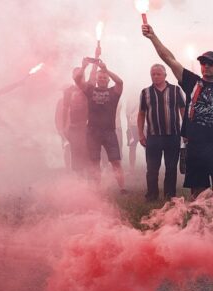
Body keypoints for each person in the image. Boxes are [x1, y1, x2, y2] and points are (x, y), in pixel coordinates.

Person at [141, 24, 213, 198]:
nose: (205, 66)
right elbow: (169, 59)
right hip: (195, 146)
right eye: (203, 63)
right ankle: (199, 222)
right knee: (197, 192)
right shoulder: (193, 82)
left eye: (210, 63)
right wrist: (153, 37)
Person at [73, 58, 126, 192]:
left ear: (108, 80)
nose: (102, 79)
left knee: (115, 162)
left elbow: (120, 82)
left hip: (109, 131)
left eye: (105, 78)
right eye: (100, 77)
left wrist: (106, 69)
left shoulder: (114, 92)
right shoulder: (90, 90)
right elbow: (78, 80)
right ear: (97, 80)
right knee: (94, 161)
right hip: (92, 131)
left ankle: (122, 188)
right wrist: (83, 67)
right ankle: (97, 189)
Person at [137, 63, 186, 201]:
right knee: (152, 168)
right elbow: (141, 114)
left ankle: (170, 195)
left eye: (158, 74)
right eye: (153, 74)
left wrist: (186, 132)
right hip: (153, 136)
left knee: (171, 168)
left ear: (165, 75)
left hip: (173, 135)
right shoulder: (145, 92)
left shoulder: (176, 90)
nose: (156, 76)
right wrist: (141, 133)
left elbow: (183, 111)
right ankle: (152, 195)